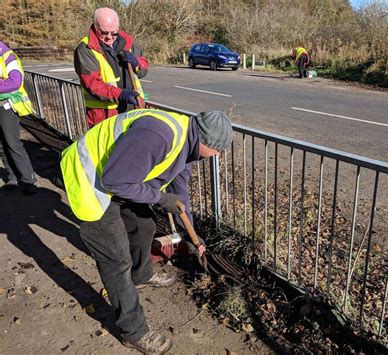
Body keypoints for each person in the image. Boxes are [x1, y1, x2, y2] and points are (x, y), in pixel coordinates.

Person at [60, 108, 233, 353]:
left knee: (144, 224)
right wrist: (162, 200)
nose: (218, 155)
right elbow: (114, 181)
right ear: (205, 142)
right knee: (116, 260)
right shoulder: (160, 135)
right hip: (91, 179)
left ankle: (141, 274)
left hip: (120, 176)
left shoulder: (188, 143)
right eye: (218, 150)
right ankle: (133, 332)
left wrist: (189, 232)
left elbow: (180, 196)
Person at [74, 7, 149, 128]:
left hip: (132, 107)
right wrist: (121, 94)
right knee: (108, 147)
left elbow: (144, 68)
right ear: (95, 26)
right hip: (105, 114)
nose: (109, 37)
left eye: (114, 33)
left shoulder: (127, 43)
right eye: (103, 33)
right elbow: (92, 84)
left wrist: (137, 63)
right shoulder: (85, 49)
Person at [0, 40, 37, 195]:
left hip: (7, 105)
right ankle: (12, 177)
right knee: (1, 145)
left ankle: (29, 180)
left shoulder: (8, 56)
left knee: (12, 142)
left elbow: (15, 82)